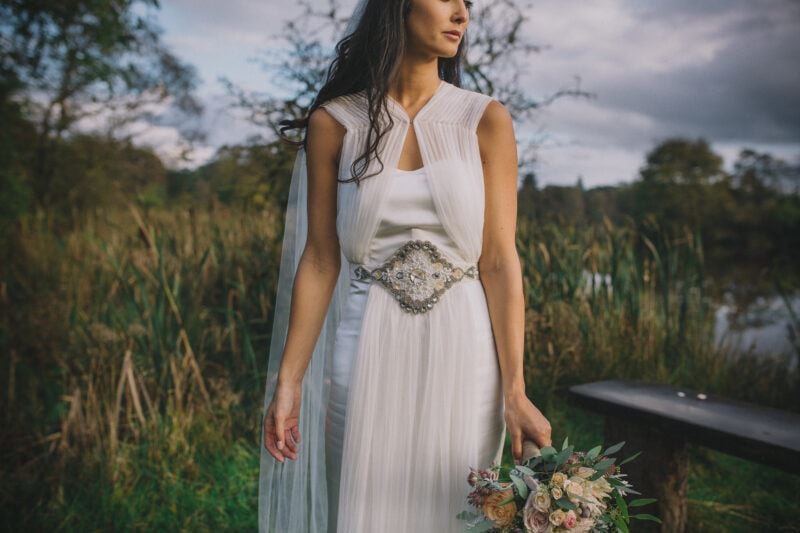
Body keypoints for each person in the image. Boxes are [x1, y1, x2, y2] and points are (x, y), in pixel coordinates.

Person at [258, 0, 552, 531]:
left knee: (457, 506)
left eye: (466, 4)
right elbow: (321, 259)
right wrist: (289, 381)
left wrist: (515, 389)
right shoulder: (335, 123)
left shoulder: (485, 119)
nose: (461, 14)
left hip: (466, 353)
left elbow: (500, 262)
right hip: (363, 341)